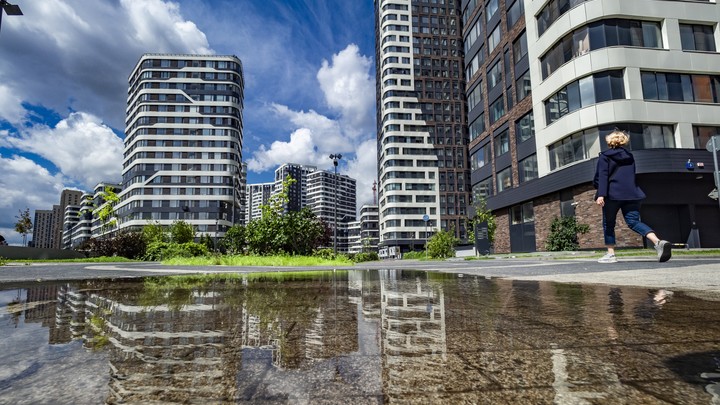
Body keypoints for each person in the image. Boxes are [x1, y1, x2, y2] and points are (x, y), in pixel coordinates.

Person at [593, 130, 671, 263]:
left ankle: (611, 254)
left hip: (612, 194)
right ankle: (657, 242)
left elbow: (603, 176)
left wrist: (601, 194)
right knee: (634, 222)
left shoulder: (605, 156)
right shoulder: (629, 156)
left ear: (609, 141)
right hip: (632, 194)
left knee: (609, 224)